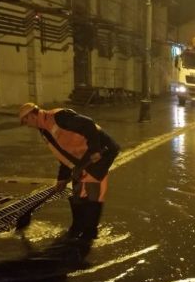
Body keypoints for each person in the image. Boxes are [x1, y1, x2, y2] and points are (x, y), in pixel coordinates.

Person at [18, 102, 120, 241]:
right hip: (84, 158)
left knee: (90, 189)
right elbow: (63, 154)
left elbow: (88, 124)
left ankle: (89, 232)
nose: (26, 125)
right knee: (77, 190)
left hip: (102, 151)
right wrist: (62, 178)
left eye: (25, 121)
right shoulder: (44, 131)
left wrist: (95, 149)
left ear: (32, 115)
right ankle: (78, 227)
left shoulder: (59, 116)